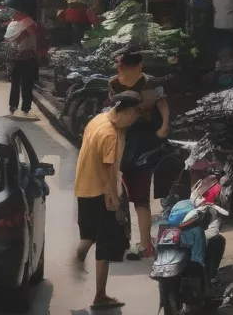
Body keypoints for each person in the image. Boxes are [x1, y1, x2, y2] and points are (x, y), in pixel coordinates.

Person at [73, 92, 142, 310]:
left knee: (89, 235)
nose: (134, 121)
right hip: (101, 193)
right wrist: (114, 199)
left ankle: (78, 258)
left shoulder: (98, 120)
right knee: (105, 244)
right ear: (127, 112)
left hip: (84, 188)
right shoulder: (110, 134)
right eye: (134, 116)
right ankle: (100, 295)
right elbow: (109, 170)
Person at [107, 51, 170, 259]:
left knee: (141, 198)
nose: (120, 70)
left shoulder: (152, 84)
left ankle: (145, 245)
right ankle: (118, 241)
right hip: (121, 143)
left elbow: (163, 106)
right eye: (120, 66)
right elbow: (111, 113)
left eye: (123, 66)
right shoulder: (114, 84)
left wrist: (164, 127)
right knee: (117, 194)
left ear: (137, 67)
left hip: (146, 145)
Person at [5, 10, 39, 119]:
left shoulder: (30, 24)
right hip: (16, 58)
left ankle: (25, 109)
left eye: (16, 13)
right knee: (16, 83)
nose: (13, 15)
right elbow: (9, 39)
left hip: (28, 57)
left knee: (27, 84)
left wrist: (15, 37)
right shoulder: (13, 25)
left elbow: (22, 37)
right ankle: (13, 107)